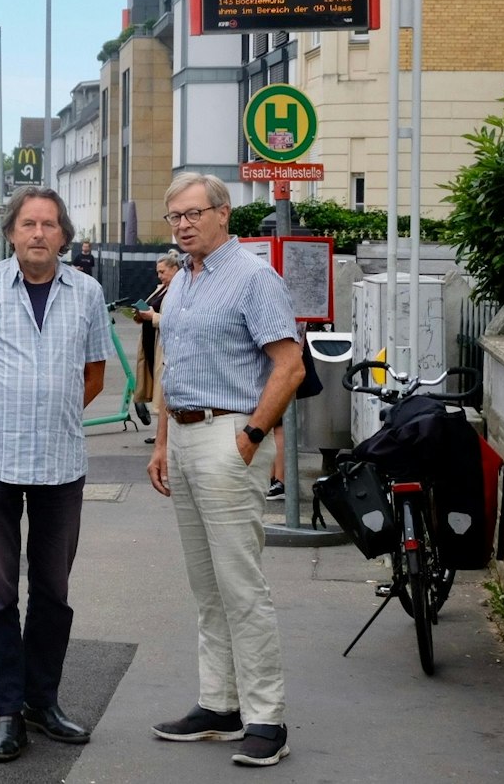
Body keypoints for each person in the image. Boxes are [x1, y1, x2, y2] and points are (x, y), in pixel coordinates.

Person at [0, 187, 108, 763]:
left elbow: (93, 375)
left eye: (49, 224)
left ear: (64, 234)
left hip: (61, 464)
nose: (39, 233)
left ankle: (44, 701)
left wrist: (49, 416)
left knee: (54, 594)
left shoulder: (87, 292)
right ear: (11, 232)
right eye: (28, 224)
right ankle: (7, 713)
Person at [146, 173, 302, 769]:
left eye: (192, 213)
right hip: (183, 436)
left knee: (241, 585)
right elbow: (173, 367)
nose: (183, 224)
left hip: (228, 434)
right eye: (174, 216)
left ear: (223, 213)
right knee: (205, 584)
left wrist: (251, 437)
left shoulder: (254, 278)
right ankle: (220, 704)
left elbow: (287, 367)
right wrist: (161, 443)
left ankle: (267, 718)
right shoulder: (182, 282)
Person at [131, 250, 182, 444]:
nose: (160, 276)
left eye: (163, 272)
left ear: (174, 270)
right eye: (158, 272)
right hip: (151, 343)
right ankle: (161, 432)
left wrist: (152, 317)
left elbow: (175, 320)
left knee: (163, 391)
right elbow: (151, 307)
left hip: (163, 346)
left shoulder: (178, 290)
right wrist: (139, 313)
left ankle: (165, 434)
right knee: (155, 387)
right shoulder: (161, 288)